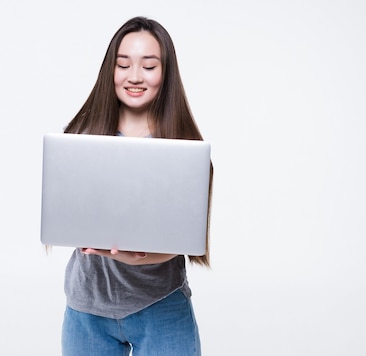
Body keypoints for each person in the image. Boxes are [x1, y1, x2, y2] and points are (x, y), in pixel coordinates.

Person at [60, 16, 213, 356]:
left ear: (165, 73)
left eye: (149, 66)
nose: (134, 76)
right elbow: (65, 213)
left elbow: (186, 238)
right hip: (87, 310)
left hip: (161, 306)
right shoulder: (82, 137)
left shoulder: (182, 144)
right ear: (109, 71)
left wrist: (139, 258)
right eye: (123, 64)